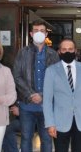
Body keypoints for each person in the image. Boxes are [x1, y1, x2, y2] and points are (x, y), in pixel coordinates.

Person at [13, 19, 60, 152]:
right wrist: (30, 94)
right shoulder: (22, 53)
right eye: (36, 30)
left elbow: (57, 79)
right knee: (26, 137)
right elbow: (16, 76)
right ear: (31, 33)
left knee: (46, 139)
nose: (39, 33)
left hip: (47, 106)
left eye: (42, 31)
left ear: (46, 34)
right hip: (26, 105)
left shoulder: (53, 54)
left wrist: (43, 96)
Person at [43, 39, 81, 152]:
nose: (67, 52)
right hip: (59, 122)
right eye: (64, 49)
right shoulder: (51, 71)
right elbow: (47, 101)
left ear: (75, 51)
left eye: (70, 49)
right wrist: (50, 123)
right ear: (59, 52)